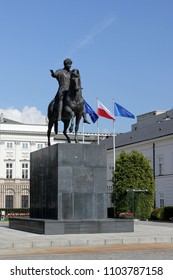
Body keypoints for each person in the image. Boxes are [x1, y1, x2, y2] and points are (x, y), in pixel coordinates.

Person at [50, 58, 90, 123]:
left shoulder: (71, 72)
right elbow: (55, 75)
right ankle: (59, 115)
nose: (70, 66)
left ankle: (84, 117)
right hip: (62, 89)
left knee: (81, 100)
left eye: (70, 64)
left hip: (71, 89)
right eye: (68, 64)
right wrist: (53, 74)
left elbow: (76, 78)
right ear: (65, 64)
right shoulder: (60, 71)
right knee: (61, 98)